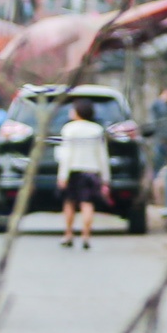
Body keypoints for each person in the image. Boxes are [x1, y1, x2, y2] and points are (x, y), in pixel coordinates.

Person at [57, 97, 109, 249]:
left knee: (69, 203)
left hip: (73, 169)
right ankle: (86, 236)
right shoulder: (97, 130)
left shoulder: (69, 129)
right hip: (92, 170)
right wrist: (105, 178)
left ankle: (68, 234)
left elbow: (66, 155)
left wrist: (62, 175)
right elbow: (102, 155)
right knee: (87, 203)